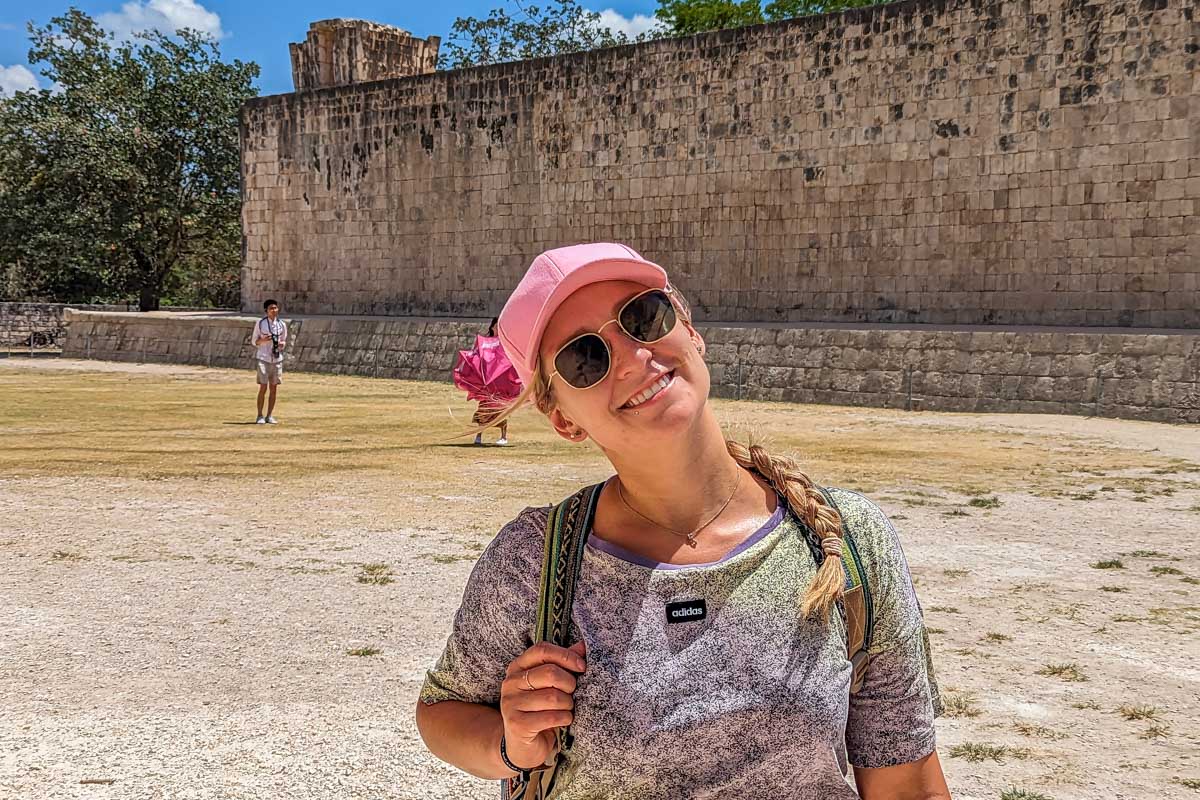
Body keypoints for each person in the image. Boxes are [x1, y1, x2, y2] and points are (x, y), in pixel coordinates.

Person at [415, 243, 949, 799]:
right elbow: (442, 711)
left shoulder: (847, 542)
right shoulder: (535, 559)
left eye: (643, 317)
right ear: (563, 420)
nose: (630, 356)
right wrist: (509, 743)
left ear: (690, 330)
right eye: (585, 358)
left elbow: (908, 782)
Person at [472, 318, 513, 446]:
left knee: (500, 409)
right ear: (492, 327)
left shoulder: (505, 343)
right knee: (484, 408)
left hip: (501, 382)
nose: (497, 329)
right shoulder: (485, 342)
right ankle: (479, 435)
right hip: (488, 383)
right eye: (496, 326)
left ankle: (503, 436)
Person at [252, 299, 287, 424]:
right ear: (266, 310)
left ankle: (270, 415)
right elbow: (254, 341)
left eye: (275, 308)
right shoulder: (261, 323)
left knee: (274, 387)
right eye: (271, 308)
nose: (274, 310)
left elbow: (284, 340)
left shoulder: (282, 324)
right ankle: (259, 415)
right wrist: (263, 340)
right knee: (263, 386)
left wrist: (282, 344)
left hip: (277, 358)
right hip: (263, 357)